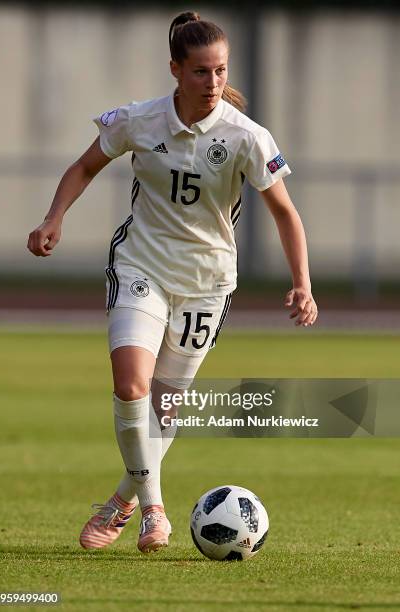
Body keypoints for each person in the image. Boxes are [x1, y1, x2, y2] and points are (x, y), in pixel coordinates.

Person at [27, 11, 318, 554]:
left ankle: (121, 500)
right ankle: (153, 511)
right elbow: (84, 166)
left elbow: (284, 212)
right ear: (176, 70)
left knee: (163, 406)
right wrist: (53, 218)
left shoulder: (247, 136)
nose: (213, 83)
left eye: (220, 71)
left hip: (208, 282)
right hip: (142, 265)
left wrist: (302, 282)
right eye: (201, 71)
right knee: (131, 385)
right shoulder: (139, 120)